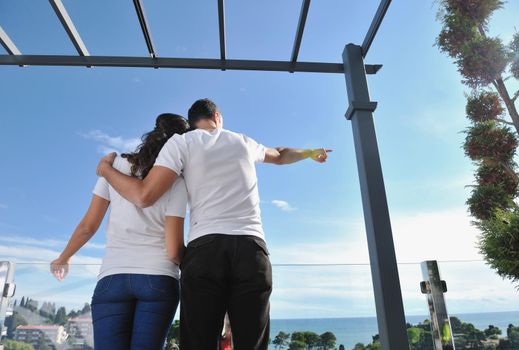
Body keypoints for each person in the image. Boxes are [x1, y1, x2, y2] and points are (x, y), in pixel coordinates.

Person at [96, 98, 332, 350]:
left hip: (205, 250)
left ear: (193, 123)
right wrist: (309, 153)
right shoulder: (242, 141)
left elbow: (144, 196)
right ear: (217, 117)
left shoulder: (182, 142)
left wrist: (106, 170)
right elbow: (281, 154)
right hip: (252, 250)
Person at [50, 113, 190, 350]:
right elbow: (174, 250)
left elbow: (88, 226)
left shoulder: (114, 166)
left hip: (112, 278)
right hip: (159, 277)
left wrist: (64, 257)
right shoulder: (177, 181)